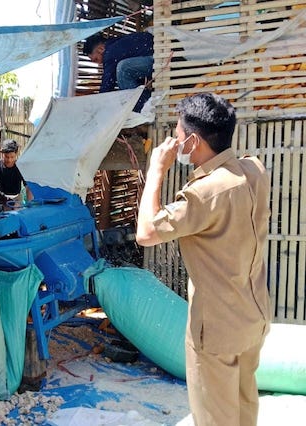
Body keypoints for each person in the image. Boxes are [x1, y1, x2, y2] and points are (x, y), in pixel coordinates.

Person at [135, 93, 271, 426]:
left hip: (217, 331)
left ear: (193, 141)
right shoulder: (255, 170)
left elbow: (146, 233)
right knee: (243, 411)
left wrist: (156, 170)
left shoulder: (205, 192)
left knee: (215, 418)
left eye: (178, 135)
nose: (174, 142)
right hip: (252, 317)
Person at [83, 30, 154, 112]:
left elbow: (108, 83)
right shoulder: (116, 44)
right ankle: (146, 100)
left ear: (100, 49)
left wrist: (100, 103)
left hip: (155, 60)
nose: (99, 63)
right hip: (154, 58)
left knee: (123, 69)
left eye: (96, 59)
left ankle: (144, 105)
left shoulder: (109, 53)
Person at [0, 139, 33, 203]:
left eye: (12, 157)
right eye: (6, 157)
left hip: (17, 198)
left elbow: (28, 187)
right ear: (2, 154)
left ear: (16, 154)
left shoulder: (21, 167)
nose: (9, 160)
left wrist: (30, 203)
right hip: (1, 198)